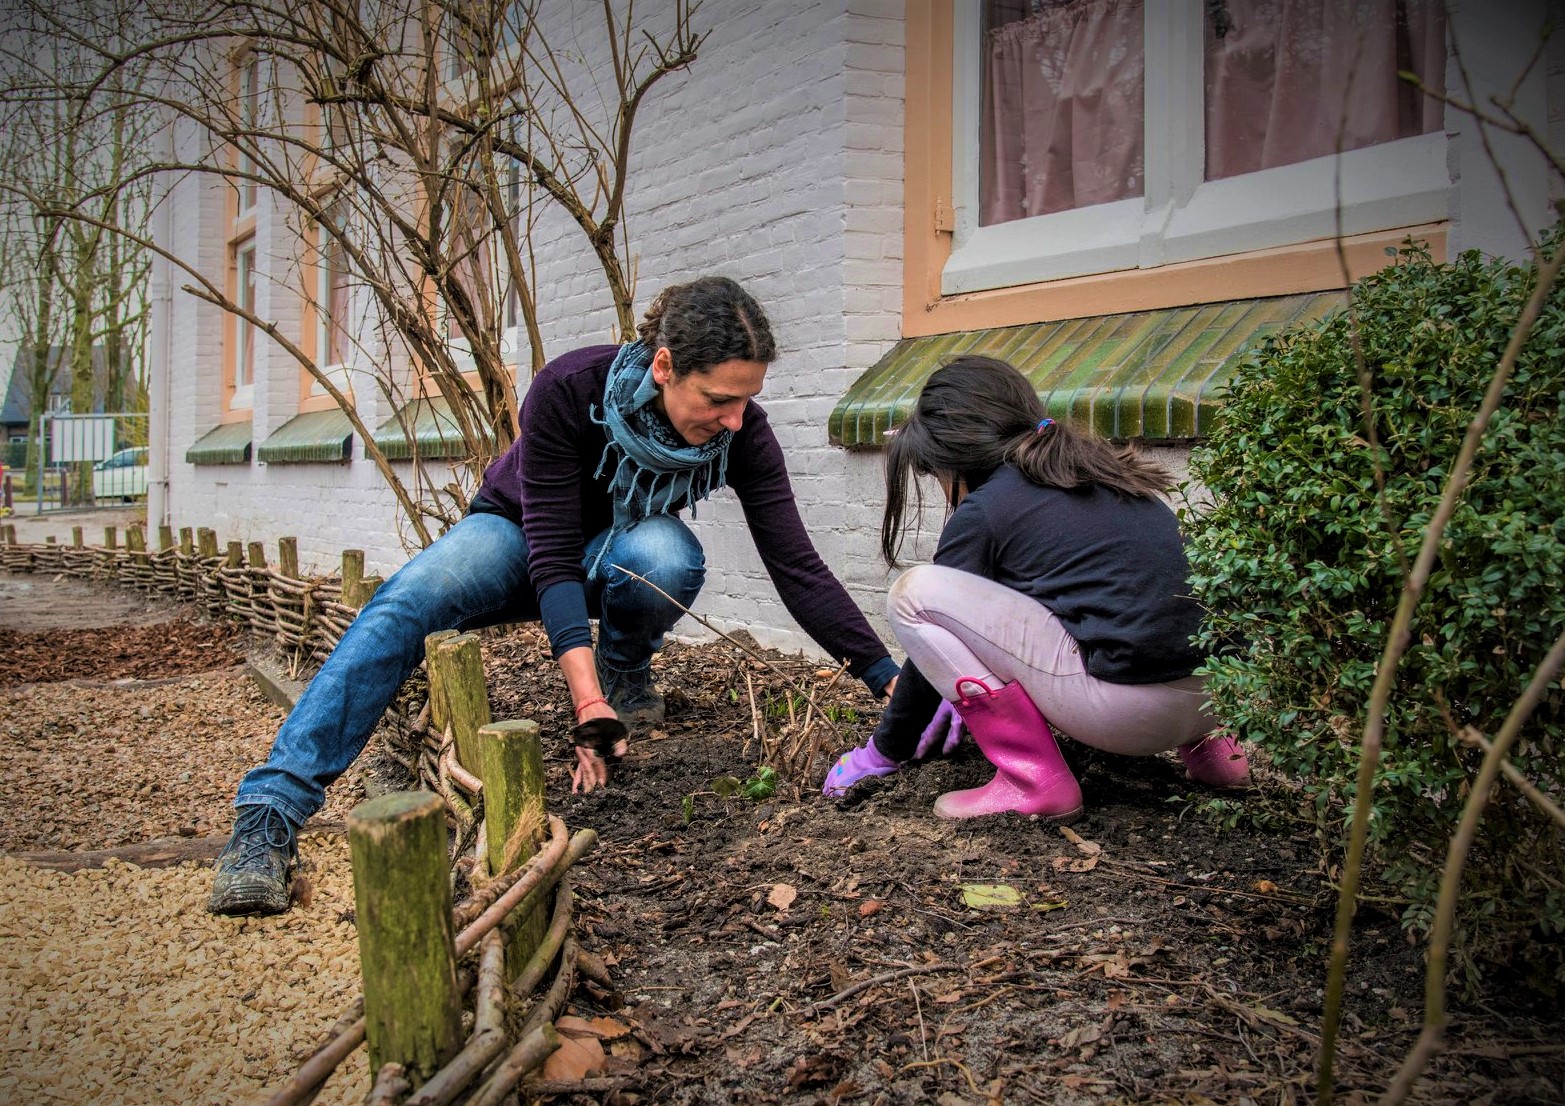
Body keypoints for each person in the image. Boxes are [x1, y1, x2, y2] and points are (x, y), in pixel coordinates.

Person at [210, 276, 901, 916]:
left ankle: (626, 671)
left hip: (618, 553)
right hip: (514, 534)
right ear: (663, 367)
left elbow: (796, 566)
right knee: (404, 601)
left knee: (662, 554)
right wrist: (583, 700)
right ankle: (269, 814)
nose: (733, 420)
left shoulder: (741, 437)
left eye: (746, 399)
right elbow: (549, 552)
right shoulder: (572, 387)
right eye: (718, 399)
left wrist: (886, 680)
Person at [822, 355, 1248, 819]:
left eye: (936, 472)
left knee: (914, 595)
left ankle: (1033, 780)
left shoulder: (985, 509)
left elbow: (937, 626)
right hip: (1220, 697)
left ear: (955, 457)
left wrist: (883, 751)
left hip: (1126, 718)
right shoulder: (1106, 473)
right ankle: (1216, 758)